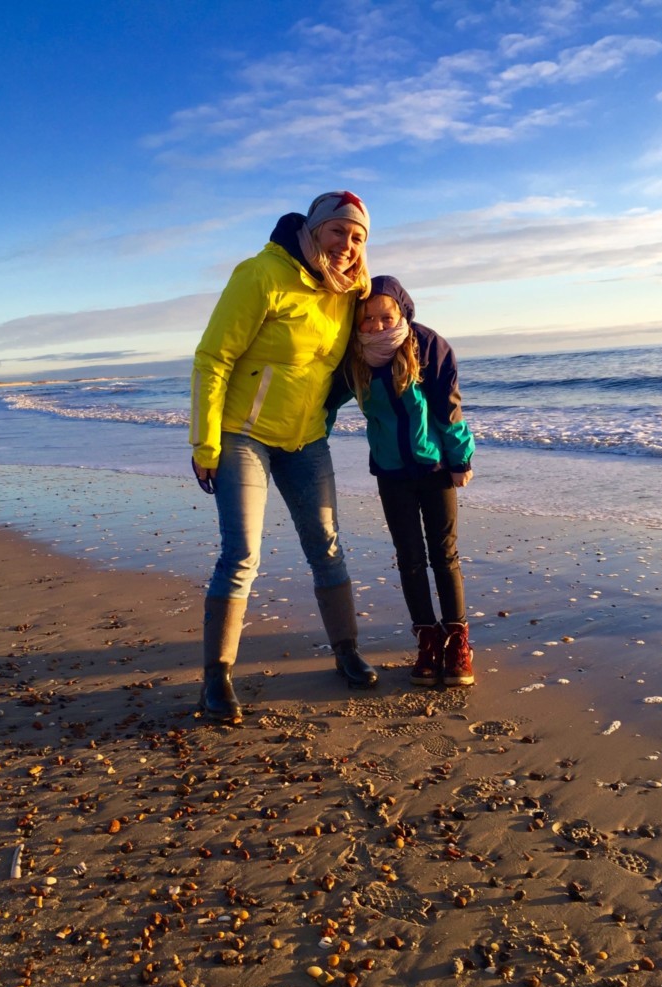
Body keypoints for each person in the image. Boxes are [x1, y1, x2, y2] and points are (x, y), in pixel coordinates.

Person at [190, 191, 379, 725]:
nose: (347, 244)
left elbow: (376, 340)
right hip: (243, 436)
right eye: (339, 231)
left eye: (358, 236)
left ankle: (345, 650)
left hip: (306, 441)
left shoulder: (349, 292)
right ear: (315, 230)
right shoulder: (261, 275)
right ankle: (217, 677)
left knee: (327, 546)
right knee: (242, 554)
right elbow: (213, 357)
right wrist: (205, 444)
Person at [328, 275, 475, 686]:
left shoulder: (428, 345)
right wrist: (301, 437)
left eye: (384, 315)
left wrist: (460, 457)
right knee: (409, 558)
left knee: (444, 556)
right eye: (367, 318)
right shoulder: (354, 358)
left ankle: (458, 644)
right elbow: (325, 402)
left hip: (435, 470)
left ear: (402, 311)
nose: (376, 325)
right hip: (391, 474)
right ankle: (428, 641)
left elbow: (448, 408)